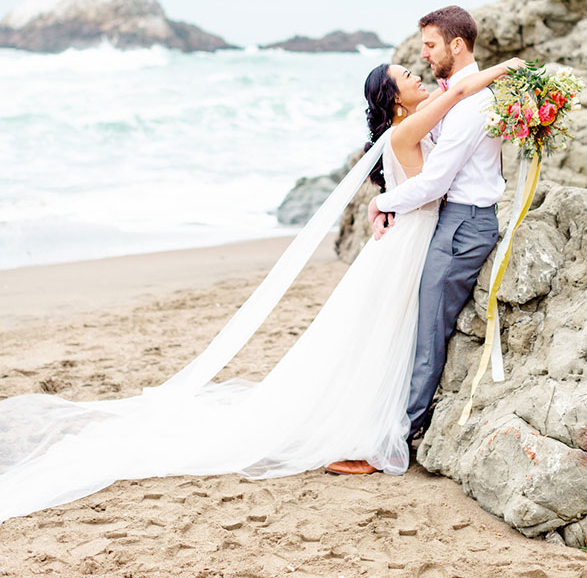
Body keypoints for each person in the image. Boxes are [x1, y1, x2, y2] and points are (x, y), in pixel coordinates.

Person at [0, 28, 520, 522]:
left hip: (414, 238)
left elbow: (455, 98)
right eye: (406, 73)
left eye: (415, 63)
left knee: (385, 332)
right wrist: (509, 68)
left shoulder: (415, 114)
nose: (416, 71)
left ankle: (384, 421)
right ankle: (377, 429)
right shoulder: (412, 124)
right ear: (396, 98)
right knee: (385, 332)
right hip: (409, 240)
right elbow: (461, 96)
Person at [365, 5, 509, 455]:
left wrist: (383, 201)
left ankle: (399, 438)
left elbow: (436, 181)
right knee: (420, 325)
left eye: (430, 45)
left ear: (457, 46)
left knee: (428, 331)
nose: (424, 55)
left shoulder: (473, 104)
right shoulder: (457, 96)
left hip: (464, 223)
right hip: (453, 219)